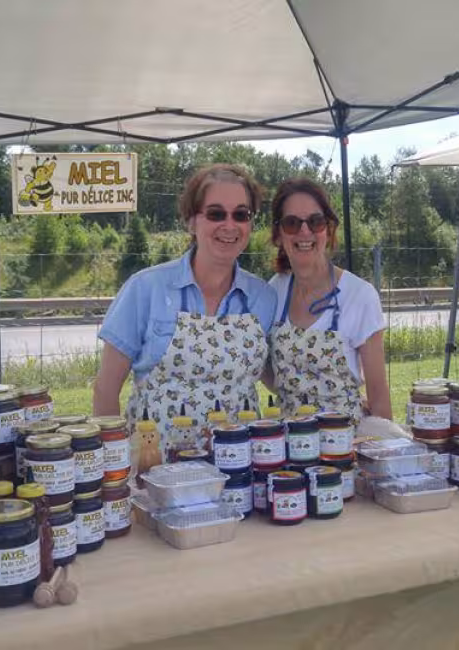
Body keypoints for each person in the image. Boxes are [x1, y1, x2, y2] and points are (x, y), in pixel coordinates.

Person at [93, 164, 278, 458]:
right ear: (191, 221)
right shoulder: (146, 288)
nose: (229, 225)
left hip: (240, 471)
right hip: (155, 473)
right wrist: (112, 467)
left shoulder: (265, 298)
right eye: (216, 214)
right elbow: (105, 390)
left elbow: (278, 375)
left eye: (241, 214)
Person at [265, 177, 391, 421]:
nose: (305, 231)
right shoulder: (274, 291)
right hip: (288, 447)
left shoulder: (359, 296)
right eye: (292, 223)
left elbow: (379, 400)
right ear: (278, 234)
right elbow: (272, 375)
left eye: (315, 221)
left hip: (345, 448)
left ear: (328, 229)